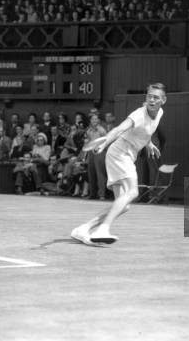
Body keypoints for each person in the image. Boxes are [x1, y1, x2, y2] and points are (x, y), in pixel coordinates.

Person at [71, 83, 166, 245]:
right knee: (133, 191)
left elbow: (147, 129)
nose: (151, 99)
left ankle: (83, 229)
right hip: (119, 153)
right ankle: (103, 229)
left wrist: (148, 143)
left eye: (155, 97)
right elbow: (118, 130)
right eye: (149, 96)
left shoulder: (159, 113)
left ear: (163, 100)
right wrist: (104, 143)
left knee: (123, 205)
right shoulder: (138, 115)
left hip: (125, 155)